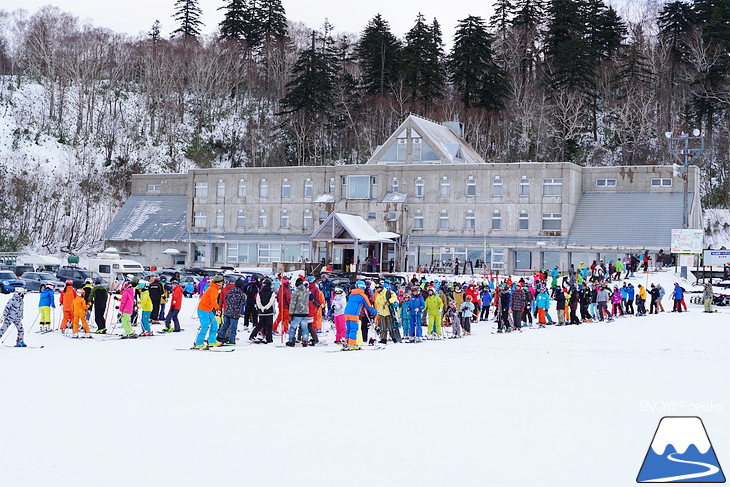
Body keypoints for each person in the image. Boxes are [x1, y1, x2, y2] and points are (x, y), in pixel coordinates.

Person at [341, 280, 377, 350]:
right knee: (354, 329)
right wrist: (375, 312)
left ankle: (346, 343)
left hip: (346, 313)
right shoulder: (362, 295)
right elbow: (368, 306)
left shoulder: (351, 294)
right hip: (354, 314)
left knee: (348, 329)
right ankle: (352, 344)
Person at [194, 274, 224, 349]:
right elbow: (213, 300)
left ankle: (212, 340)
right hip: (203, 309)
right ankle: (199, 343)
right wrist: (218, 309)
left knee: (214, 324)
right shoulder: (213, 289)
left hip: (209, 309)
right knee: (205, 326)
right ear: (218, 282)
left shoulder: (216, 288)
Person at [217, 278, 246, 344]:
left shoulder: (230, 292)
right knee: (233, 328)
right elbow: (242, 304)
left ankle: (220, 337)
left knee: (225, 325)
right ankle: (231, 340)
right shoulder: (241, 294)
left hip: (227, 311)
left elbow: (226, 300)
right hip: (235, 314)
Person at [287, 279, 313, 347]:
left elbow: (293, 303)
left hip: (297, 312)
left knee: (293, 327)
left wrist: (291, 313)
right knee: (304, 328)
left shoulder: (296, 292)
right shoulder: (306, 291)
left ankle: (291, 341)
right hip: (305, 312)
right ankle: (305, 340)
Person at [250, 278, 277, 344]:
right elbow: (271, 302)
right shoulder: (272, 293)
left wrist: (261, 307)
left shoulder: (260, 292)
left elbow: (258, 301)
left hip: (261, 312)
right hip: (269, 312)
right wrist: (266, 307)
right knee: (269, 325)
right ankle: (269, 338)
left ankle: (253, 335)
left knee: (260, 324)